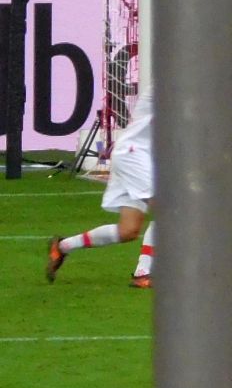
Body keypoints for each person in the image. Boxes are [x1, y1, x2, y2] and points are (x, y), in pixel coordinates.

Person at [46, 84, 155, 285]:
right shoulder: (170, 82)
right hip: (135, 154)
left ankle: (62, 247)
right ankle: (143, 273)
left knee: (128, 230)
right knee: (171, 212)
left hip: (141, 157)